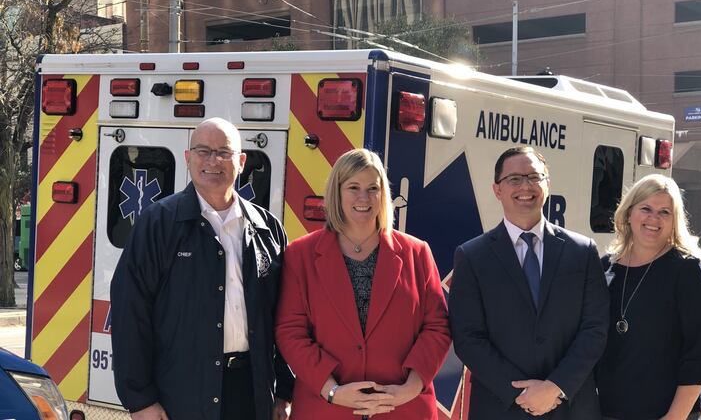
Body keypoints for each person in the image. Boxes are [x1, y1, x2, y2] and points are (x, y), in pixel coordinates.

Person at [111, 117, 293, 420]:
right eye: (203, 151)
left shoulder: (267, 229)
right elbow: (130, 311)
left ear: (242, 161)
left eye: (224, 152)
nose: (213, 161)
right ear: (187, 158)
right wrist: (140, 399)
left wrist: (285, 391)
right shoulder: (158, 224)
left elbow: (286, 317)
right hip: (180, 393)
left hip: (251, 391)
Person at [275, 148, 451, 419]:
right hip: (326, 408)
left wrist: (409, 388)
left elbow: (437, 327)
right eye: (353, 187)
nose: (363, 197)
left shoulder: (417, 253)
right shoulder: (300, 255)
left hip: (404, 408)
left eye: (373, 188)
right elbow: (291, 331)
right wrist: (332, 391)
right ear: (337, 192)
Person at [449, 146, 609, 419]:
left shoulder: (582, 251)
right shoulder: (472, 256)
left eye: (535, 177)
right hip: (501, 407)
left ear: (548, 184)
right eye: (514, 179)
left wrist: (556, 387)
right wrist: (520, 393)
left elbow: (595, 328)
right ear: (497, 190)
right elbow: (467, 337)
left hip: (570, 407)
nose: (526, 186)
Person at [597, 174, 701, 420]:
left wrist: (674, 417)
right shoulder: (606, 267)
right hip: (609, 410)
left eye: (665, 212)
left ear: (675, 221)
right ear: (629, 213)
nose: (654, 218)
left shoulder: (688, 269)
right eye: (646, 208)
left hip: (669, 412)